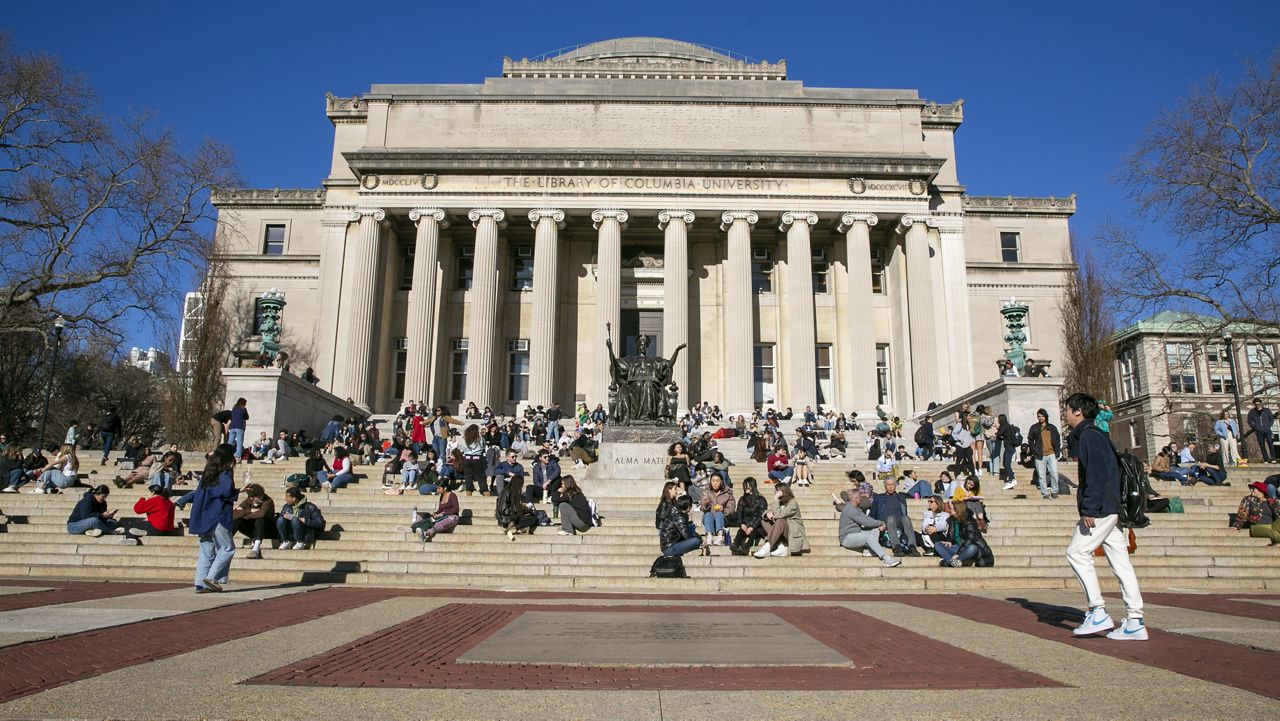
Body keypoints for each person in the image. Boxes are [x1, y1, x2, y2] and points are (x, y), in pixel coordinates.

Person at [1063, 392, 1146, 641]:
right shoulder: (1096, 434)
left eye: (1067, 410)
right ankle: (1135, 619)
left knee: (1076, 552)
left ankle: (1097, 609)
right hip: (1111, 506)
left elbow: (1096, 474)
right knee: (1121, 562)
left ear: (1077, 411)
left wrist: (1089, 508)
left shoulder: (1090, 436)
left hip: (1101, 508)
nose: (1065, 414)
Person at [189, 445, 237, 593]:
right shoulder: (225, 472)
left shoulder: (208, 473)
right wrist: (236, 492)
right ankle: (211, 578)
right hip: (218, 515)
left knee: (206, 550)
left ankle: (200, 583)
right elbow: (225, 492)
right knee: (227, 548)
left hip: (204, 516)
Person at [835, 489, 900, 567]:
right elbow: (865, 522)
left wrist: (879, 524)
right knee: (868, 536)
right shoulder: (850, 509)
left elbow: (867, 519)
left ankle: (869, 550)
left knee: (875, 529)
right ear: (856, 499)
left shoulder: (856, 508)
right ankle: (886, 558)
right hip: (846, 538)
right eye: (860, 497)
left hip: (856, 533)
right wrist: (881, 523)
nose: (861, 498)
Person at [755, 483, 809, 558]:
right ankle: (781, 545)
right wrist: (768, 514)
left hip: (791, 533)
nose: (775, 492)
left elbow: (779, 515)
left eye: (777, 491)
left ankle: (768, 546)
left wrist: (776, 500)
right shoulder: (779, 503)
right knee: (765, 521)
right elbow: (767, 511)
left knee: (780, 521)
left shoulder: (792, 503)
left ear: (783, 491)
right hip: (781, 531)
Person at [935, 499, 993, 567]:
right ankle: (952, 562)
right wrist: (949, 541)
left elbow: (970, 540)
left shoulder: (969, 521)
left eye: (951, 508)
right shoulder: (952, 520)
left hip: (967, 548)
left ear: (957, 509)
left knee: (973, 547)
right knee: (937, 544)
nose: (949, 510)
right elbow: (951, 535)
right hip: (957, 547)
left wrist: (958, 553)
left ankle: (954, 561)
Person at [871, 476, 919, 555]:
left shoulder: (901, 497)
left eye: (892, 484)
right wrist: (877, 525)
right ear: (885, 486)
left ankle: (912, 547)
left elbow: (905, 513)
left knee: (906, 518)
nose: (890, 487)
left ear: (896, 485)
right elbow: (872, 515)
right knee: (890, 518)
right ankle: (897, 547)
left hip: (899, 525)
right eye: (888, 485)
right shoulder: (878, 498)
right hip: (884, 525)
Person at [66, 484, 132, 540]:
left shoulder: (103, 503)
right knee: (94, 521)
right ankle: (112, 532)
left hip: (91, 524)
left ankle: (92, 531)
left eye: (105, 497)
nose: (104, 499)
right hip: (74, 526)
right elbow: (85, 516)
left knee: (113, 522)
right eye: (103, 497)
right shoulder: (87, 500)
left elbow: (102, 519)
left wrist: (108, 516)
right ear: (97, 494)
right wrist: (102, 515)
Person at [233, 483, 276, 559]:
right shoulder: (247, 501)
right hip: (253, 530)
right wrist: (250, 510)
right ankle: (225, 542)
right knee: (237, 520)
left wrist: (243, 513)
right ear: (251, 498)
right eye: (258, 497)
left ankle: (256, 549)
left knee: (260, 520)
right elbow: (233, 514)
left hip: (267, 530)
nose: (261, 498)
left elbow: (261, 514)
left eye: (262, 495)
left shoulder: (268, 501)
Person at [1027, 408, 1062, 499]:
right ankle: (1045, 493)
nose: (1040, 418)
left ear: (1045, 416)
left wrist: (1057, 451)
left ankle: (1054, 491)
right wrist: (1034, 449)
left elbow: (1057, 439)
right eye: (1039, 416)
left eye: (1042, 416)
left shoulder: (1052, 427)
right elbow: (1030, 439)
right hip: (1040, 455)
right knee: (1041, 476)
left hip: (1051, 453)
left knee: (1054, 474)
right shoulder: (1034, 427)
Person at [729, 477, 768, 556]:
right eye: (745, 486)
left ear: (753, 486)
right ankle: (735, 544)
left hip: (757, 526)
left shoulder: (761, 499)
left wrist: (752, 527)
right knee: (740, 531)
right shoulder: (742, 499)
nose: (746, 488)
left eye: (748, 486)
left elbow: (760, 515)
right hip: (745, 523)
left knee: (754, 533)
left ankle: (746, 547)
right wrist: (742, 524)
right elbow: (739, 513)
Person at [658, 493, 704, 558]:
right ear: (688, 507)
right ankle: (691, 551)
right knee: (697, 541)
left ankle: (689, 551)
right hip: (670, 548)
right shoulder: (679, 517)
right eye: (691, 505)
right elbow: (686, 536)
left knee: (691, 526)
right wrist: (700, 540)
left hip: (670, 546)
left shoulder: (676, 513)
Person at [495, 475, 539, 540]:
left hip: (510, 517)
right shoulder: (507, 492)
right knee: (534, 519)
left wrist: (522, 508)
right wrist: (520, 508)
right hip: (506, 519)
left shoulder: (511, 491)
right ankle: (514, 528)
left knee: (531, 516)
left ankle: (517, 529)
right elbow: (503, 509)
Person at [698, 474, 735, 545]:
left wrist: (723, 509)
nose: (715, 483)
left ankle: (720, 537)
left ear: (721, 482)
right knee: (708, 514)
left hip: (722, 519)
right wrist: (705, 504)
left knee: (719, 514)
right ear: (710, 482)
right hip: (708, 519)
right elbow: (702, 508)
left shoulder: (727, 493)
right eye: (713, 481)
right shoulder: (706, 492)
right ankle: (709, 536)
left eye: (717, 481)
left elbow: (731, 509)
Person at [460, 424, 488, 496]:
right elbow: (483, 447)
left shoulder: (464, 438)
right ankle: (485, 491)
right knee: (480, 476)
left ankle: (468, 493)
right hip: (477, 457)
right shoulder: (480, 438)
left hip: (467, 457)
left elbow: (462, 448)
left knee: (468, 476)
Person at [1248, 398, 1275, 464]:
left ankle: (1273, 457)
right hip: (1259, 431)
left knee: (1270, 443)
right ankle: (1265, 459)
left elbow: (1271, 419)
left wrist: (1268, 425)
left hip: (1267, 430)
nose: (1257, 405)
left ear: (1261, 403)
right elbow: (1249, 421)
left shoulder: (1267, 410)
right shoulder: (1252, 412)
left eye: (1259, 404)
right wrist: (1255, 427)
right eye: (1256, 404)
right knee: (1262, 445)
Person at [996, 414, 1018, 490]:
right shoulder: (1007, 426)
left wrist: (997, 429)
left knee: (1007, 464)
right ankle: (1011, 479)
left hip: (1009, 448)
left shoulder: (1005, 426)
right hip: (1009, 448)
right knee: (1005, 464)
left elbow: (999, 434)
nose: (998, 421)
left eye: (998, 419)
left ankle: (1012, 480)